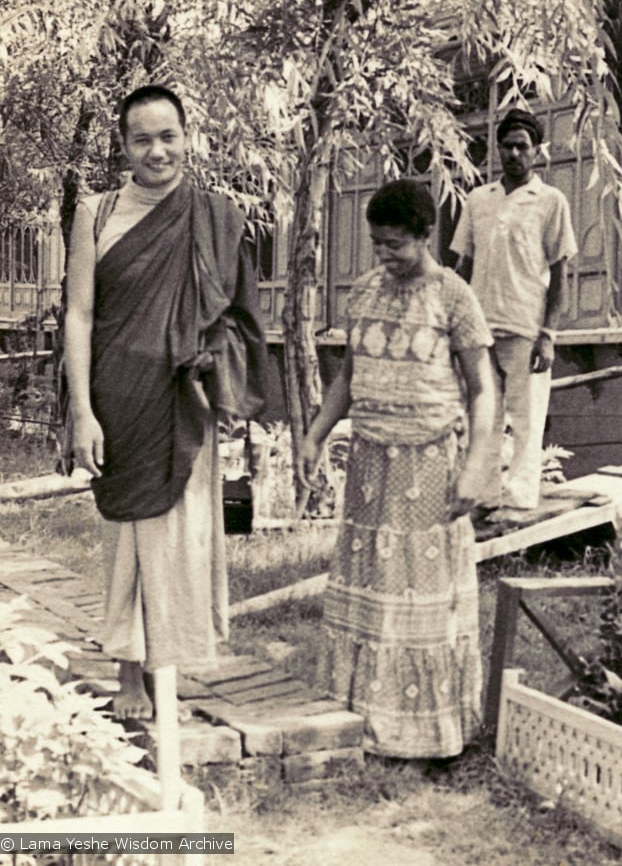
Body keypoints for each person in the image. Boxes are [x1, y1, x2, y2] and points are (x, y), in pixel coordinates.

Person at [65, 84, 267, 719]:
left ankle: (167, 672)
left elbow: (239, 315)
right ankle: (129, 673)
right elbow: (77, 313)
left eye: (168, 136)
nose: (158, 151)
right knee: (129, 536)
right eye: (143, 139)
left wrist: (222, 369)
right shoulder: (95, 215)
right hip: (119, 397)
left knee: (181, 536)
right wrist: (81, 411)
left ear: (188, 137)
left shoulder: (215, 216)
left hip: (187, 400)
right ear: (124, 146)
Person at [298, 179, 495, 762]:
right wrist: (314, 434)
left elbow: (484, 390)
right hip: (369, 466)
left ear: (426, 236)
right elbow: (347, 380)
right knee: (372, 597)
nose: (385, 255)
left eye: (396, 246)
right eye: (377, 245)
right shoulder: (363, 292)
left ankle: (429, 736)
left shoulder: (455, 297)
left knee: (423, 599)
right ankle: (364, 721)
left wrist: (478, 467)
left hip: (431, 462)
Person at [450, 107, 577, 514]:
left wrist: (548, 334)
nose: (514, 154)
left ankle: (521, 500)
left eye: (522, 147)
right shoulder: (477, 200)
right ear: (497, 150)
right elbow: (462, 268)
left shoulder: (551, 201)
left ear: (537, 152)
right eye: (506, 146)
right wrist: (453, 326)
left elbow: (559, 275)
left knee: (527, 420)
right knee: (483, 417)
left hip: (526, 330)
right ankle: (485, 497)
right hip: (479, 331)